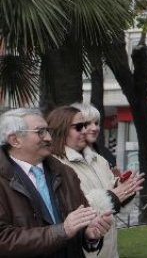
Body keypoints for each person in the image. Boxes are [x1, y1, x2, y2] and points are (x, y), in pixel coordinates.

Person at [0, 108, 113, 257]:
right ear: (15, 140)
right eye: (40, 132)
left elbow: (80, 225)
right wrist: (62, 231)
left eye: (48, 131)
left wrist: (89, 235)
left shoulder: (65, 173)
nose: (48, 138)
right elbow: (4, 239)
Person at [48, 105, 144, 258]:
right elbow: (71, 210)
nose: (86, 130)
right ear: (62, 130)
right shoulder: (54, 165)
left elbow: (115, 197)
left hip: (110, 250)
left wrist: (125, 189)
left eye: (85, 125)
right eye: (79, 127)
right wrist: (112, 197)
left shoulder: (99, 159)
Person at [70, 103, 117, 171]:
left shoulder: (105, 153)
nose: (94, 128)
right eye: (87, 123)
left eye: (96, 123)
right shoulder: (68, 156)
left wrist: (119, 181)